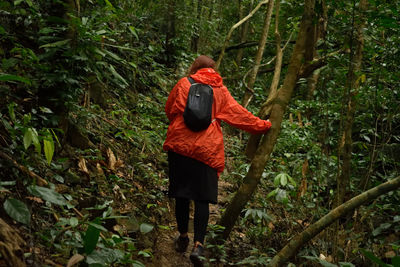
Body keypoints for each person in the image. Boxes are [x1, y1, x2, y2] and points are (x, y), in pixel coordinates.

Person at [163, 55, 271, 266]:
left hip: (180, 147)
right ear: (213, 69)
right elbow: (240, 116)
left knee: (181, 195)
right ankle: (198, 246)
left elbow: (169, 110)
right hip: (207, 150)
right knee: (202, 199)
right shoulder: (220, 90)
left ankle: (183, 237)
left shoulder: (183, 83)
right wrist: (264, 125)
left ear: (195, 68)